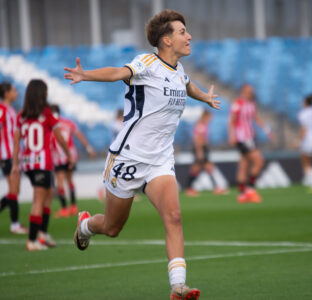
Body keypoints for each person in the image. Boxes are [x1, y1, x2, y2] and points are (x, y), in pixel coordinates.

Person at [64, 9, 220, 300]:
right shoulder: (147, 63)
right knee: (112, 228)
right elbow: (117, 73)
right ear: (166, 40)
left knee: (173, 216)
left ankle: (178, 286)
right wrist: (87, 75)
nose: (189, 36)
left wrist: (206, 97)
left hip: (160, 161)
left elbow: (187, 86)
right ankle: (85, 225)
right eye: (182, 32)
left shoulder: (180, 71)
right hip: (128, 159)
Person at [11, 79, 72, 251]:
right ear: (41, 93)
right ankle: (32, 241)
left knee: (49, 193)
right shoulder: (46, 114)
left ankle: (42, 234)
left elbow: (16, 141)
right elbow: (60, 137)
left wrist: (16, 164)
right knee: (39, 200)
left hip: (28, 164)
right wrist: (69, 155)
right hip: (42, 163)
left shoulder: (21, 115)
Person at [50, 104, 96, 218]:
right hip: (71, 155)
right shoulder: (68, 123)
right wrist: (89, 148)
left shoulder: (50, 125)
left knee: (60, 182)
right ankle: (74, 207)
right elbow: (79, 135)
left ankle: (64, 209)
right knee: (70, 180)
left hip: (58, 157)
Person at [228, 83, 271, 203]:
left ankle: (242, 195)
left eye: (251, 91)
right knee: (259, 161)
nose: (251, 93)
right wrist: (231, 135)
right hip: (242, 138)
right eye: (248, 91)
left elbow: (256, 118)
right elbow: (231, 121)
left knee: (244, 164)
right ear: (243, 91)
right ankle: (250, 189)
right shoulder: (238, 103)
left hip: (250, 138)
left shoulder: (251, 104)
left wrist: (267, 130)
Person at [0, 82, 28, 234]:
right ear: (6, 93)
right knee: (13, 189)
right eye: (13, 90)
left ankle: (15, 224)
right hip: (6, 155)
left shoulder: (10, 109)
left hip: (13, 155)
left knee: (14, 191)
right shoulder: (2, 109)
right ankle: (15, 225)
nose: (16, 92)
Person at [185, 110, 227, 196]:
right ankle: (216, 188)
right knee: (205, 167)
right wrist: (200, 151)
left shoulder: (203, 125)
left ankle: (189, 188)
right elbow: (197, 140)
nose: (211, 119)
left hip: (203, 149)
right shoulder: (200, 125)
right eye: (210, 117)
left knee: (199, 168)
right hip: (200, 149)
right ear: (205, 116)